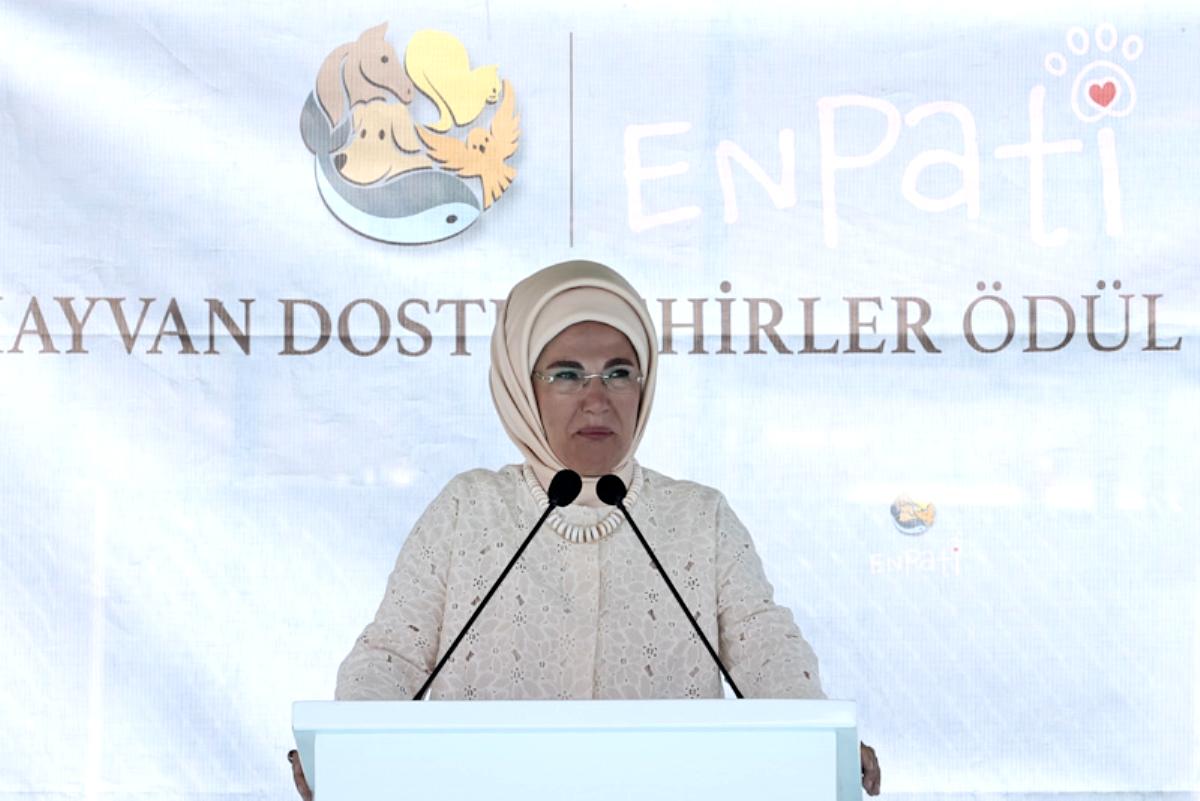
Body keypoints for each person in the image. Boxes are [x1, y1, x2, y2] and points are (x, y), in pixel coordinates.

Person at [288, 260, 881, 797]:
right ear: (521, 385)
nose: (597, 400)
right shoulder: (469, 509)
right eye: (567, 374)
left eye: (619, 373)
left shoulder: (700, 517)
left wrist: (821, 741)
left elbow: (765, 648)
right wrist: (345, 753)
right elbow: (392, 656)